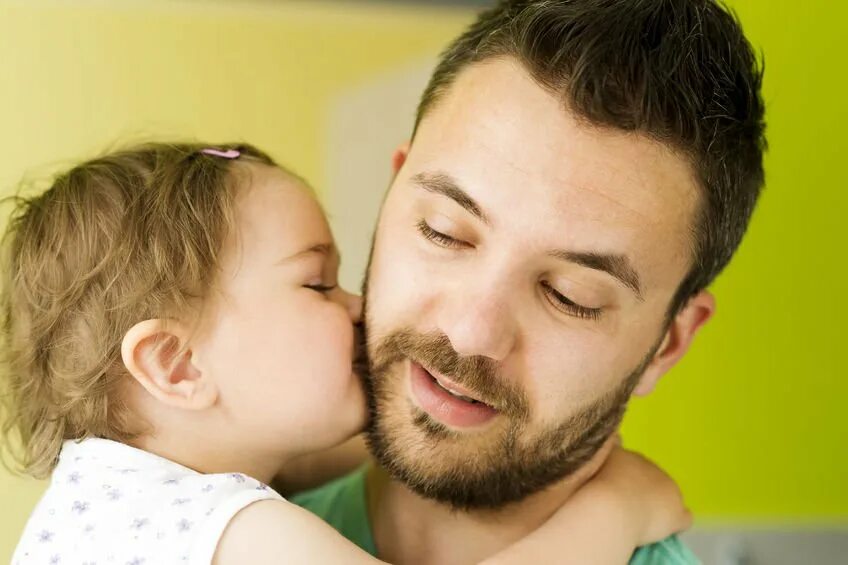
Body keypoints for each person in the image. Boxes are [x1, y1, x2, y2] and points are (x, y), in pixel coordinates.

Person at [2, 143, 689, 564]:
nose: (359, 306)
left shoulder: (110, 494)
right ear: (177, 364)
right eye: (317, 282)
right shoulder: (219, 523)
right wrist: (615, 510)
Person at [292, 0, 766, 564]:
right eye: (443, 232)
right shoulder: (209, 519)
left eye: (570, 296)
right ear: (393, 192)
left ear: (669, 342)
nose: (471, 333)